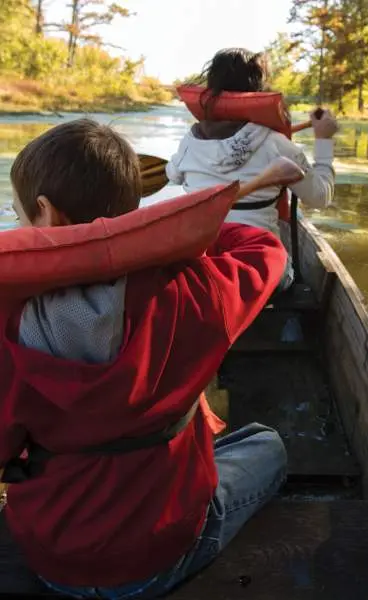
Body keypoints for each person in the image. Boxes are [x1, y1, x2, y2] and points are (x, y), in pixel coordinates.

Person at [0, 118, 288, 598]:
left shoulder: (8, 321)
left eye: (18, 216)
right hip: (156, 559)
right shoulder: (197, 290)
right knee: (268, 444)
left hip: (52, 557)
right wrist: (160, 238)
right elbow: (263, 246)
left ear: (45, 215)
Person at [167, 48, 339, 241]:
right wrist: (324, 141)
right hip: (257, 256)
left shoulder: (190, 142)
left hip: (202, 252)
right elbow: (320, 197)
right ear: (257, 88)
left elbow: (172, 175)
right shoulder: (277, 145)